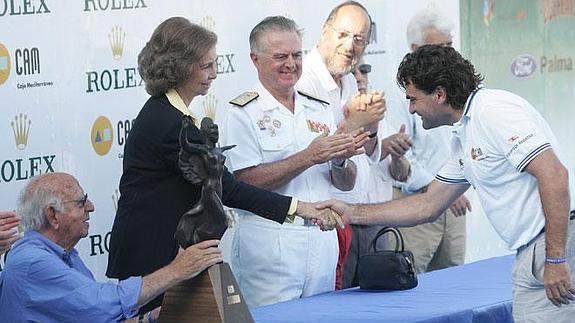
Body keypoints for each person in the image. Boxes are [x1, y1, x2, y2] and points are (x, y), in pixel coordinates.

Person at [318, 45, 575, 322]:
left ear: (440, 94)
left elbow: (554, 175)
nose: (411, 109)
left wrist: (556, 259)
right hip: (541, 248)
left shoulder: (492, 112)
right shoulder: (467, 130)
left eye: (413, 99)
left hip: (556, 243)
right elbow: (427, 205)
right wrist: (351, 211)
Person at [105, 17, 337, 314]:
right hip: (154, 259)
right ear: (180, 67)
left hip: (166, 254)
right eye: (206, 66)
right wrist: (299, 208)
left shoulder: (171, 116)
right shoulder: (169, 124)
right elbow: (227, 188)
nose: (214, 74)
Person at [223, 16, 367, 307]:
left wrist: (339, 161)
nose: (291, 63)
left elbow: (343, 182)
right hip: (271, 246)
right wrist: (308, 157)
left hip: (322, 239)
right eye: (280, 56)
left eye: (296, 55)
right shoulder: (241, 112)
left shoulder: (319, 106)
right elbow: (243, 183)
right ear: (255, 60)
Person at [0, 172, 223, 322]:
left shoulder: (62, 253)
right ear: (52, 215)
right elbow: (99, 306)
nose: (91, 207)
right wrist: (177, 269)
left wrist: (149, 318)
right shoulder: (32, 262)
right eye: (81, 202)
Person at [386, 10, 470, 274]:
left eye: (449, 46)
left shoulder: (457, 87)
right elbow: (401, 155)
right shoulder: (400, 93)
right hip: (417, 205)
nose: (448, 54)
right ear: (414, 49)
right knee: (411, 282)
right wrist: (441, 188)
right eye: (439, 47)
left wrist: (452, 188)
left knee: (454, 282)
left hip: (454, 204)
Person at [341, 60, 412, 289]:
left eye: (364, 70)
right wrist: (382, 146)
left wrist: (397, 155)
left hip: (378, 226)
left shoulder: (382, 121)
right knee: (338, 298)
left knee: (383, 294)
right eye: (352, 73)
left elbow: (401, 175)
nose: (359, 77)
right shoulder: (331, 117)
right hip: (343, 225)